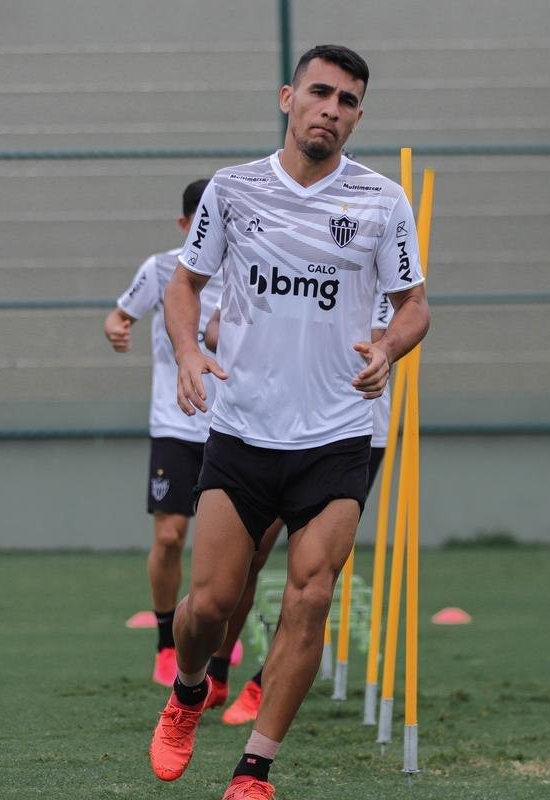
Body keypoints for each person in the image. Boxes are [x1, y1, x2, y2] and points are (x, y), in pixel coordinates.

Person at [150, 44, 430, 800]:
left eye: (347, 101)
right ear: (288, 98)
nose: (331, 111)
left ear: (358, 117)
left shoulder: (382, 201)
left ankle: (255, 769)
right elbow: (184, 288)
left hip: (340, 429)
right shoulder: (234, 191)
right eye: (320, 94)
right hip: (242, 427)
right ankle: (187, 693)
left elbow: (415, 306)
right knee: (208, 605)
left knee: (311, 594)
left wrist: (390, 347)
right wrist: (185, 353)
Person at [219, 287, 394, 726]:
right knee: (251, 553)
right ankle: (216, 671)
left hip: (348, 435)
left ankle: (264, 684)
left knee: (309, 577)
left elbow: (378, 336)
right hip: (279, 425)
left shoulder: (380, 259)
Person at [103, 179, 223, 687]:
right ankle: (165, 639)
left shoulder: (247, 273)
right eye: (201, 223)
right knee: (172, 535)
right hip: (175, 424)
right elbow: (119, 314)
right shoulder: (160, 269)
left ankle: (216, 641)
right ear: (184, 226)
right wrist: (116, 327)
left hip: (232, 429)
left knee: (228, 548)